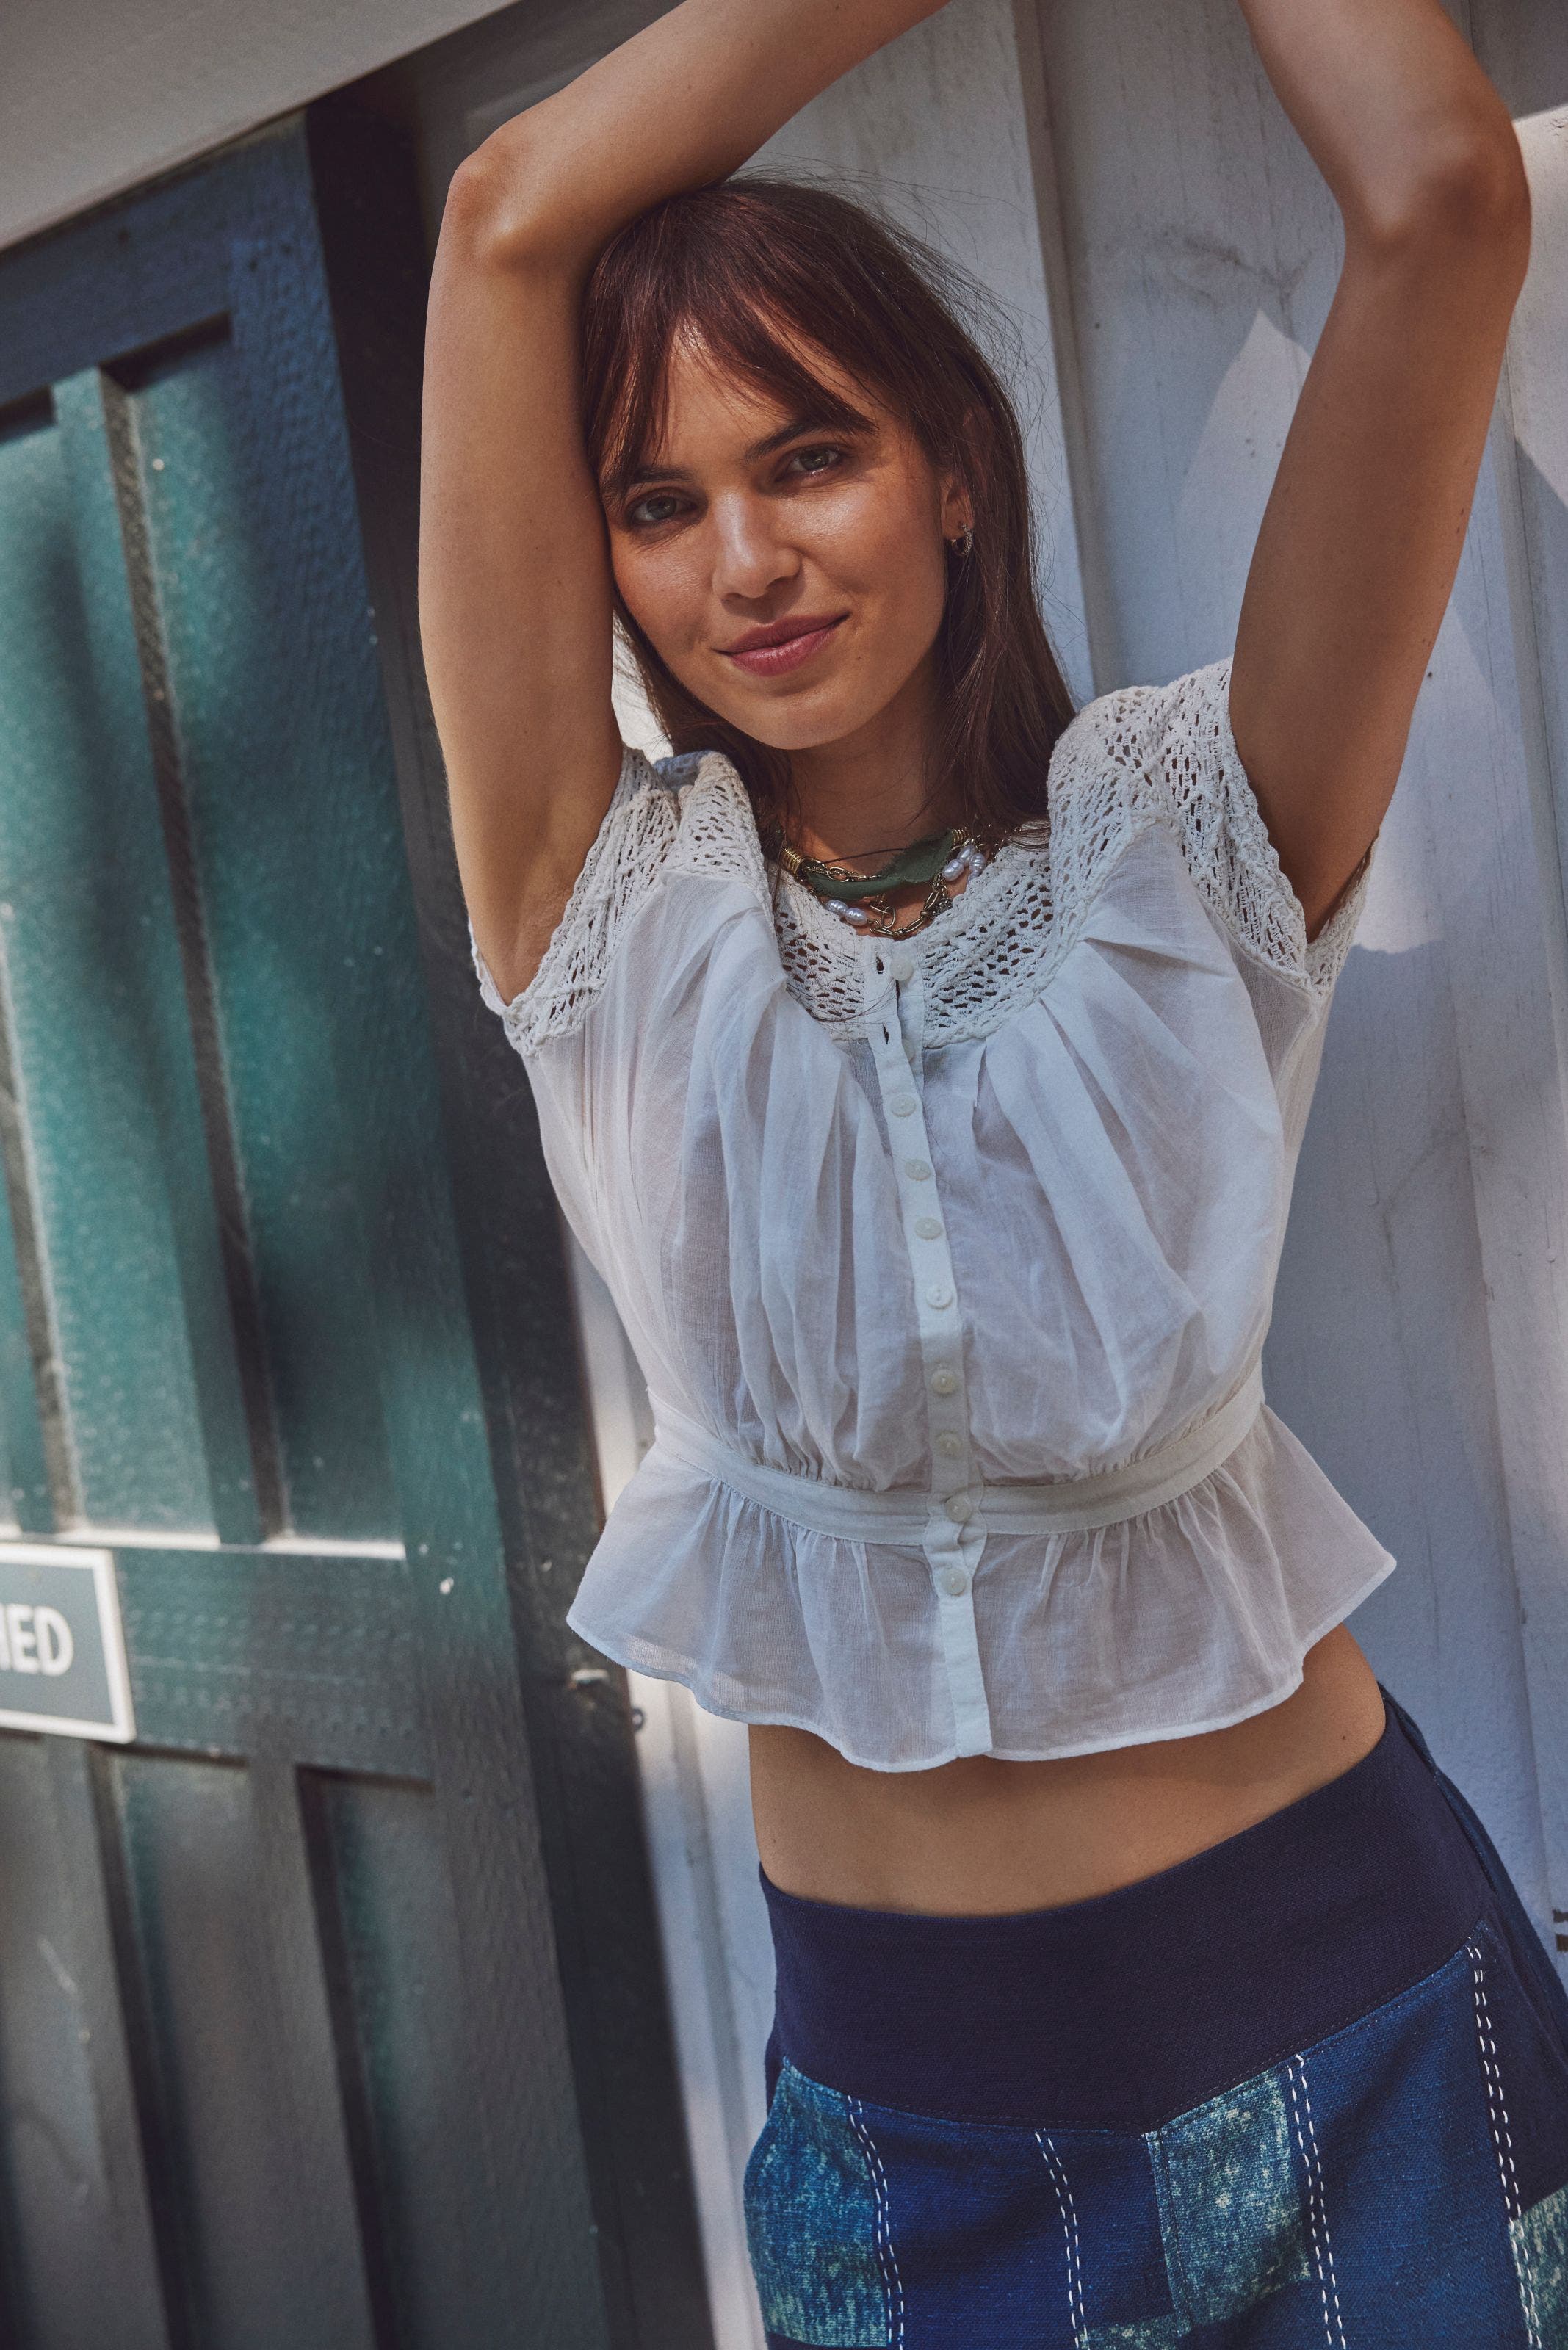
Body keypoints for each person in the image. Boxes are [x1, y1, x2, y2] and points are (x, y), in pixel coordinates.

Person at [419, 1, 1568, 2339]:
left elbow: (1445, 201)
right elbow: (503, 217)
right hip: (912, 2139)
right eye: (659, 502)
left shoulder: (1196, 844)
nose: (744, 559)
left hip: (1368, 2048)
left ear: (953, 468)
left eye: (810, 457)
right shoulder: (595, 916)